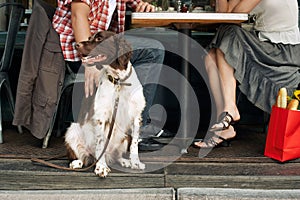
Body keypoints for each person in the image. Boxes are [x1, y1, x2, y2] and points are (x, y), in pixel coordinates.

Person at [52, 0, 171, 150]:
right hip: (78, 50)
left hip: (103, 48)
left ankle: (128, 126)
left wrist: (143, 5)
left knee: (147, 50)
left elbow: (133, 2)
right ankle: (137, 132)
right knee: (153, 51)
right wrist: (91, 61)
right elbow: (78, 15)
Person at [194, 0, 300, 148]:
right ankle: (225, 124)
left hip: (282, 50)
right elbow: (225, 14)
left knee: (229, 33)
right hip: (265, 43)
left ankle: (230, 110)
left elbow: (235, 16)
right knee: (211, 57)